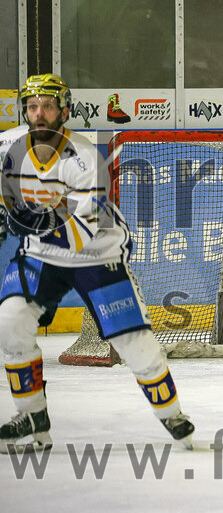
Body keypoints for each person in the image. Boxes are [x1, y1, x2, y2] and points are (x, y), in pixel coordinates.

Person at [0, 74, 194, 452]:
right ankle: (32, 416)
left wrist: (25, 220)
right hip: (41, 254)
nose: (39, 114)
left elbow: (80, 232)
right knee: (10, 323)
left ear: (65, 112)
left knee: (133, 341)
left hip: (96, 253)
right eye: (32, 106)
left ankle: (171, 413)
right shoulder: (7, 146)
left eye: (49, 106)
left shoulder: (86, 157)